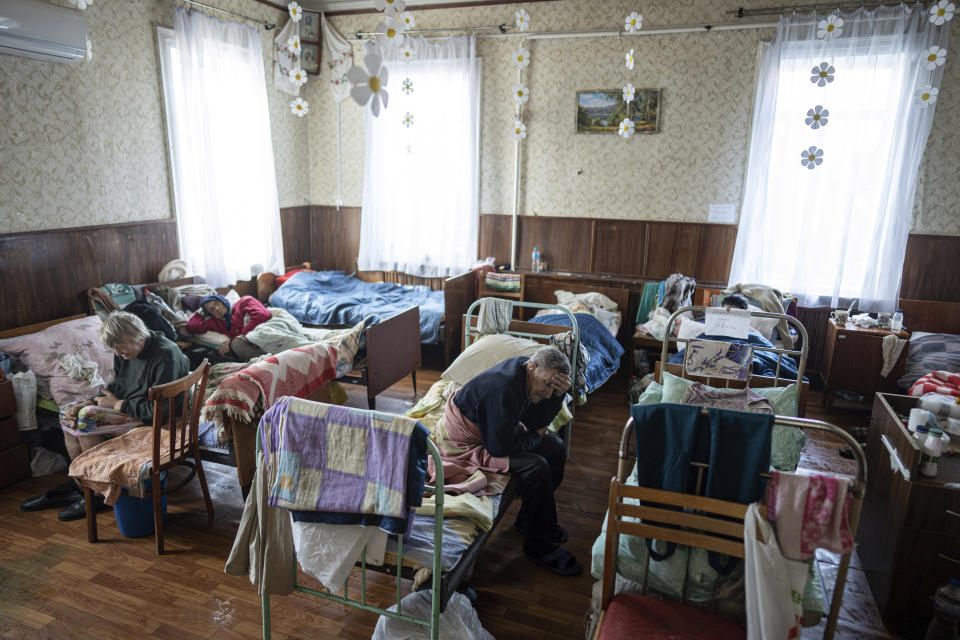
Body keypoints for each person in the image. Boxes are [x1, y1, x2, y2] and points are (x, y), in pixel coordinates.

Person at [20, 311, 190, 521]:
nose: (117, 353)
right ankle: (83, 487)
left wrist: (117, 404)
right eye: (114, 348)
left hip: (154, 417)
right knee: (68, 414)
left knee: (87, 420)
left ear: (137, 336)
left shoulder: (166, 355)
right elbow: (117, 386)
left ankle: (99, 493)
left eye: (120, 347)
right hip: (133, 407)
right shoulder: (126, 352)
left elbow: (160, 409)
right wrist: (89, 401)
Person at [446, 345, 582, 576]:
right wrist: (535, 435)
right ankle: (538, 547)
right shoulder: (504, 388)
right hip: (467, 442)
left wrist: (557, 396)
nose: (548, 392)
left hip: (495, 432)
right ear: (532, 367)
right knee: (536, 466)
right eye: (548, 384)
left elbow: (535, 418)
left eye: (554, 387)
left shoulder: (527, 374)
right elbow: (499, 448)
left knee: (556, 448)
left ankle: (527, 521)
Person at [185, 294, 271, 361]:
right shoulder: (217, 322)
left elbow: (263, 315)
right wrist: (200, 313)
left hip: (268, 332)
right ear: (210, 314)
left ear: (223, 301)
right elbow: (191, 327)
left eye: (217, 303)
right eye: (211, 309)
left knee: (235, 344)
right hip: (254, 345)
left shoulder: (243, 302)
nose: (217, 308)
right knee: (236, 345)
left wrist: (236, 338)